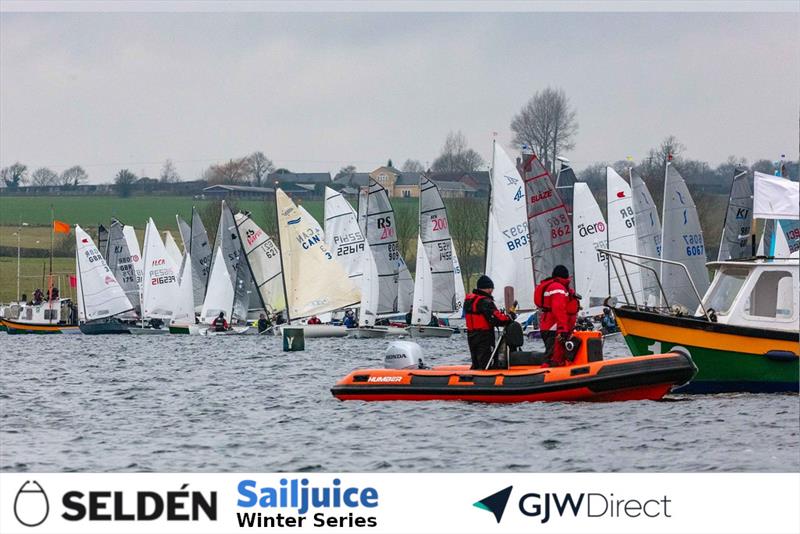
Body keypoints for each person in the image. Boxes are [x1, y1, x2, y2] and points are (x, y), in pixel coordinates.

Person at [464, 275, 514, 370]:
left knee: (476, 359)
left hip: (471, 335)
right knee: (486, 360)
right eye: (491, 288)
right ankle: (486, 376)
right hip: (484, 336)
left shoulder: (468, 300)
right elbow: (498, 319)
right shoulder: (485, 301)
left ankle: (475, 373)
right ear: (489, 288)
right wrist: (509, 318)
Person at [535, 265, 580, 367]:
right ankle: (548, 377)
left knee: (553, 355)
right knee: (553, 358)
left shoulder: (551, 286)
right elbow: (559, 310)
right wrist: (563, 329)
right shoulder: (558, 288)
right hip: (554, 327)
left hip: (548, 325)